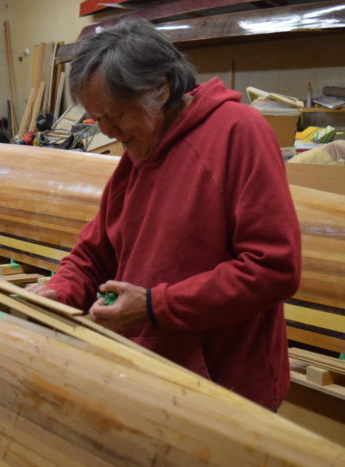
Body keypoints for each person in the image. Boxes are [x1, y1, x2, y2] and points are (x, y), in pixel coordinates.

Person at [27, 19, 301, 411]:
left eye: (115, 114)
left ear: (159, 88)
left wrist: (156, 306)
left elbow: (273, 268)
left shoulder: (239, 133)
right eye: (96, 118)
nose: (107, 130)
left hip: (227, 390)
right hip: (152, 378)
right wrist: (60, 290)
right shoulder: (137, 150)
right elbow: (94, 254)